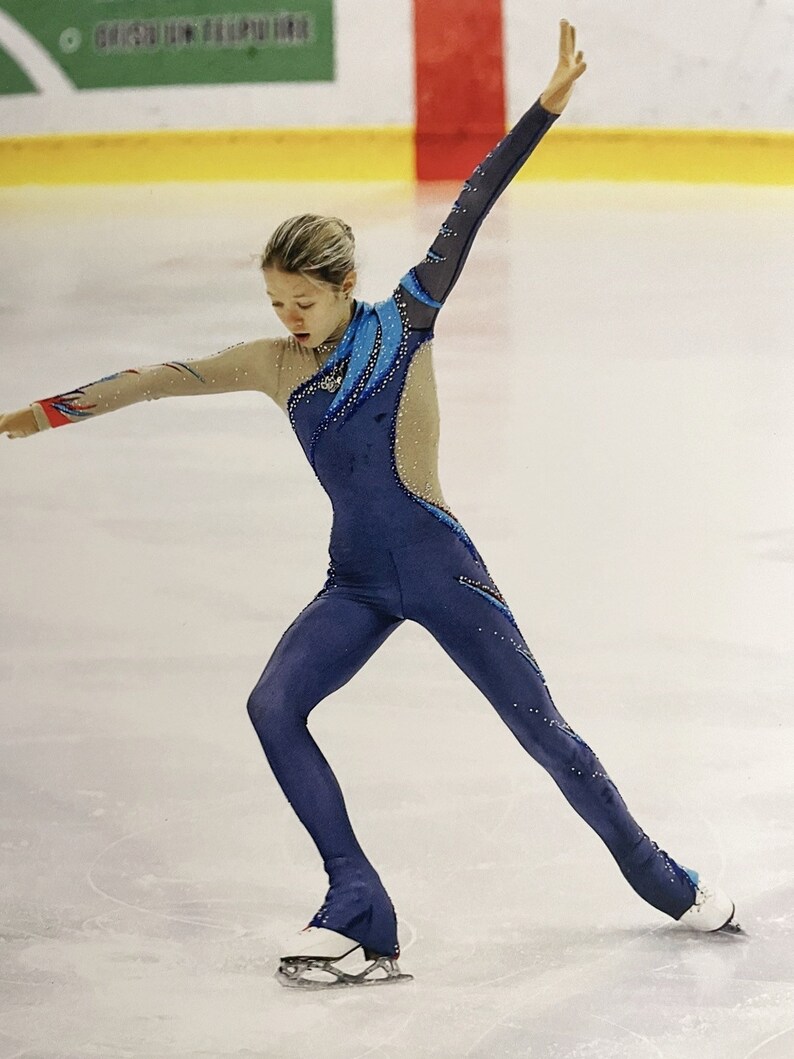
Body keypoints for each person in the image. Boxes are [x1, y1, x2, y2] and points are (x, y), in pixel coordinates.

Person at [1, 20, 736, 990]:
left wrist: (544, 108)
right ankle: (357, 903)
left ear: (344, 287)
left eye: (300, 302)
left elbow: (472, 204)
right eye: (274, 304)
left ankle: (663, 880)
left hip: (438, 569)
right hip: (354, 579)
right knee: (272, 705)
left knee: (544, 736)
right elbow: (159, 376)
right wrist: (45, 415)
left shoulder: (407, 316)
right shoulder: (270, 366)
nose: (286, 321)